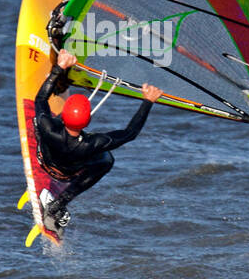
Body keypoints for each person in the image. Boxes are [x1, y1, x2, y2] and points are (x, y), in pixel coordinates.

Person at [33, 50, 161, 229]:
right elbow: (129, 133)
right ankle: (59, 203)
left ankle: (56, 199)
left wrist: (59, 67)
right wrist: (148, 101)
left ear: (65, 115)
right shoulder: (92, 144)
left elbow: (40, 99)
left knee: (39, 118)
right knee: (106, 160)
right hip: (67, 172)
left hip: (43, 160)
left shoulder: (48, 127)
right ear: (88, 121)